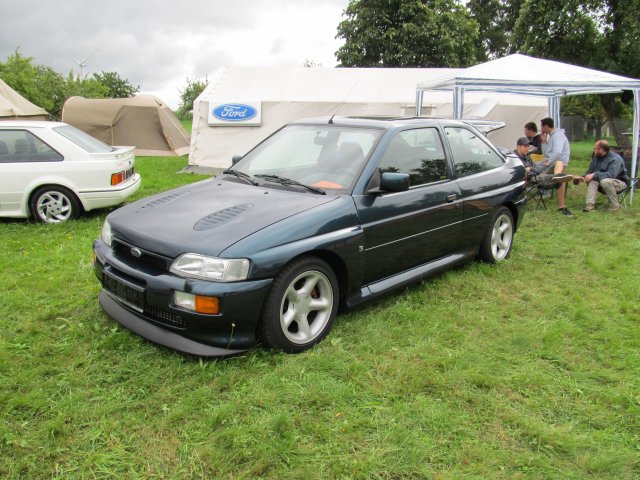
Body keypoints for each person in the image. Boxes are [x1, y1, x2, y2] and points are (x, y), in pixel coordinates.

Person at [572, 139, 628, 212]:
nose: (593, 150)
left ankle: (614, 206)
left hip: (619, 183)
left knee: (605, 181)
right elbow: (590, 171)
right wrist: (582, 177)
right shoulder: (596, 157)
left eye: (595, 148)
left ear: (601, 149)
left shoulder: (615, 159)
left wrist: (595, 174)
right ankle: (590, 205)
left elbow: (612, 174)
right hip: (602, 182)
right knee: (593, 180)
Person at [536, 117, 574, 216]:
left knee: (558, 170)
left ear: (545, 126)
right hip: (553, 163)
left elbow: (557, 153)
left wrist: (548, 163)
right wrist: (544, 142)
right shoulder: (551, 136)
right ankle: (556, 179)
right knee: (540, 171)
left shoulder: (557, 135)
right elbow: (547, 154)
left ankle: (559, 177)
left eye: (541, 126)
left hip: (558, 163)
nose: (541, 129)